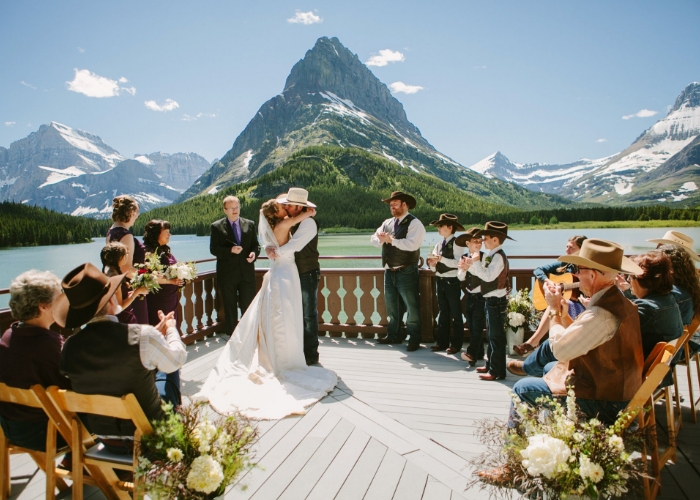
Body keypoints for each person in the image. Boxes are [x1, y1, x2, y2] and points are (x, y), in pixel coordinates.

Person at [195, 198, 337, 419]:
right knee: (285, 314)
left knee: (281, 314)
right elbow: (304, 216)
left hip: (280, 271)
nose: (286, 210)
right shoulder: (283, 225)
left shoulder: (276, 225)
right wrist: (310, 210)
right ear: (276, 214)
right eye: (282, 208)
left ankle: (282, 352)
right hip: (285, 272)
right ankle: (286, 357)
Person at [508, 239, 644, 426]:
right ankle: (551, 431)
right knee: (551, 368)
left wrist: (554, 310)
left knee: (522, 389)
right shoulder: (620, 303)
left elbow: (560, 351)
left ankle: (515, 445)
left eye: (579, 270)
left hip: (606, 402)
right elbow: (588, 338)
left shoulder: (602, 314)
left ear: (594, 275)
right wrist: (564, 317)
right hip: (618, 389)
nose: (576, 275)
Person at [56, 263, 186, 448]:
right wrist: (171, 330)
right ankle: (177, 432)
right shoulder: (143, 336)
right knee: (167, 368)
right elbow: (178, 358)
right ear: (110, 302)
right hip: (149, 433)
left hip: (104, 436)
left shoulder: (69, 347)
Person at [0, 271, 71, 452]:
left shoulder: (9, 335)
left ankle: (72, 463)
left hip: (11, 429)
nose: (64, 303)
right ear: (43, 307)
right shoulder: (49, 344)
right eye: (59, 299)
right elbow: (69, 389)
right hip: (47, 434)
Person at [266, 188, 321, 365]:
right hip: (296, 272)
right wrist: (270, 249)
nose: (286, 207)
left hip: (308, 272)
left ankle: (311, 354)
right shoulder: (295, 221)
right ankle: (299, 351)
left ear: (298, 207)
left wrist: (277, 253)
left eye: (288, 205)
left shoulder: (308, 223)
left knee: (308, 314)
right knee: (297, 312)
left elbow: (296, 245)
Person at [513, 235, 587, 356]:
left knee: (556, 304)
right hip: (567, 304)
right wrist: (547, 281)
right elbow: (538, 270)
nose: (567, 250)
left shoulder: (586, 268)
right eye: (566, 247)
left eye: (571, 248)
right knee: (558, 304)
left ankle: (533, 342)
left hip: (583, 306)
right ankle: (537, 344)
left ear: (581, 250)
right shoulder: (566, 264)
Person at [371, 191, 426, 352]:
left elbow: (412, 245)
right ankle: (394, 335)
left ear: (405, 204)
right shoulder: (387, 222)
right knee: (392, 306)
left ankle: (414, 338)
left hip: (406, 270)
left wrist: (390, 240)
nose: (392, 207)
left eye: (395, 204)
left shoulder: (415, 224)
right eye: (390, 205)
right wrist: (380, 238)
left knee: (411, 306)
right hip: (389, 271)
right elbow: (373, 240)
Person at [462, 221, 513, 381]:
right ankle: (490, 364)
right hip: (490, 300)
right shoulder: (492, 255)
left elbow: (488, 276)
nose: (482, 240)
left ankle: (497, 371)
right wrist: (468, 266)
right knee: (491, 335)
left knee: (496, 337)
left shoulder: (497, 257)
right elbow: (482, 273)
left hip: (497, 301)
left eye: (485, 237)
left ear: (495, 239)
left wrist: (475, 263)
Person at [210, 195, 260, 336]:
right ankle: (232, 336)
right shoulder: (216, 226)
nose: (235, 210)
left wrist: (254, 254)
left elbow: (256, 246)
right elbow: (213, 249)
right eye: (231, 208)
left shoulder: (249, 224)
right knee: (230, 307)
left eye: (237, 207)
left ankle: (249, 334)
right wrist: (230, 250)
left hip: (246, 273)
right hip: (227, 275)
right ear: (225, 210)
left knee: (249, 306)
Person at [628, 251, 683, 359]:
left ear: (643, 281)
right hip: (662, 370)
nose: (628, 280)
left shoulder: (647, 308)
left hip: (637, 370)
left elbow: (613, 330)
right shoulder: (669, 300)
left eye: (630, 277)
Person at [106, 195, 149, 323]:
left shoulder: (111, 231)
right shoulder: (126, 235)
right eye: (136, 212)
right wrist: (147, 277)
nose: (137, 216)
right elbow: (125, 267)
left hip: (115, 284)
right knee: (137, 326)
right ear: (130, 212)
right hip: (128, 288)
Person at [427, 214, 466, 354]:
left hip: (452, 281)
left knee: (456, 313)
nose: (438, 228)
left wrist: (441, 259)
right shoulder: (438, 245)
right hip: (440, 280)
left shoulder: (457, 243)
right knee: (443, 312)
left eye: (441, 226)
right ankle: (442, 343)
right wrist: (432, 264)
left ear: (450, 227)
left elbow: (458, 263)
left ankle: (456, 344)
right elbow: (434, 264)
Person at [456, 227, 486, 366]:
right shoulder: (463, 257)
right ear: (468, 243)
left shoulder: (485, 258)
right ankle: (479, 352)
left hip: (481, 296)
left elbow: (482, 275)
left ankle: (471, 354)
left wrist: (471, 266)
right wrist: (463, 269)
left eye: (480, 241)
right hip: (469, 296)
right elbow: (460, 277)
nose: (478, 244)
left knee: (478, 327)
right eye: (475, 241)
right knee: (472, 327)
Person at [100, 241, 147, 324]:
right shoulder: (115, 277)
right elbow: (119, 307)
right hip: (123, 320)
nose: (128, 256)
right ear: (120, 258)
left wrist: (129, 294)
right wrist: (137, 292)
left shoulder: (109, 271)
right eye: (126, 254)